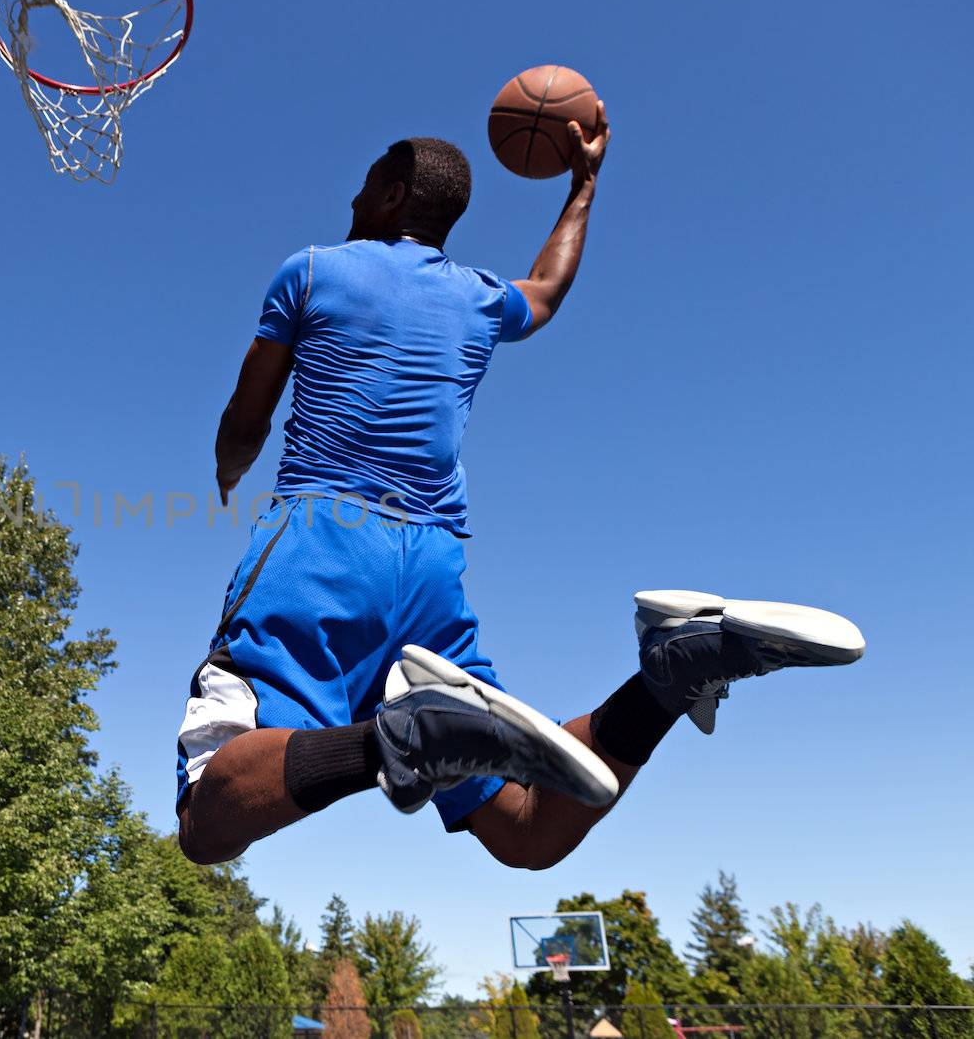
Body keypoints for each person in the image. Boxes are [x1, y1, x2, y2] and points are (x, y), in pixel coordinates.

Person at [175, 105, 864, 868]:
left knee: (206, 820)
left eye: (365, 187)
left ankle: (400, 735)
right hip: (431, 569)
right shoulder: (476, 296)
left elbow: (247, 418)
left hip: (323, 541)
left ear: (396, 192)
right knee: (527, 829)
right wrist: (585, 183)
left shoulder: (311, 270)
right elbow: (548, 287)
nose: (351, 203)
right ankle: (674, 673)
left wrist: (226, 468)